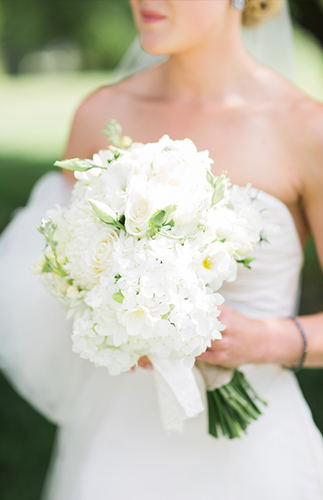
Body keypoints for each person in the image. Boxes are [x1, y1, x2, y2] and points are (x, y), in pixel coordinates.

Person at [1, 0, 323, 499]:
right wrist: (111, 315)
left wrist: (263, 340)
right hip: (116, 448)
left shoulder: (307, 130)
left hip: (254, 456)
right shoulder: (100, 114)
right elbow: (63, 267)